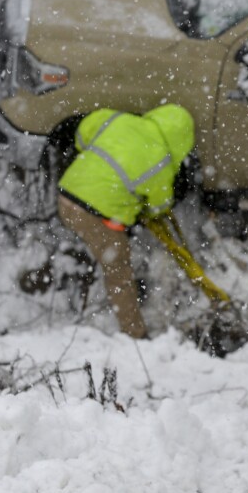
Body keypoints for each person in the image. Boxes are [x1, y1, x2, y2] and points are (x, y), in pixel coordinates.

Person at [56, 104, 196, 339]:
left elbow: (83, 131)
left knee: (96, 246)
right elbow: (158, 208)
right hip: (96, 214)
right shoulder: (162, 162)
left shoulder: (119, 120)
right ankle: (135, 335)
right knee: (119, 271)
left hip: (66, 194)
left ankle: (55, 276)